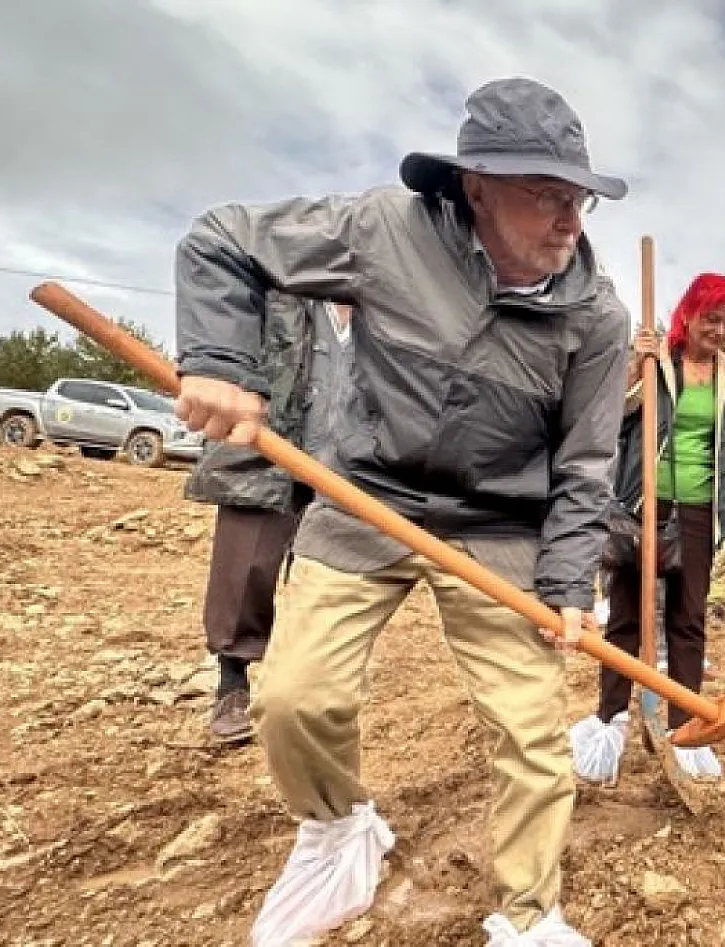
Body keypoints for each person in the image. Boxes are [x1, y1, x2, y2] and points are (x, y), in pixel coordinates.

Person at [173, 77, 629, 946]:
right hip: (366, 497)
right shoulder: (384, 231)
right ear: (476, 187)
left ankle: (531, 915)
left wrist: (570, 581)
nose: (570, 220)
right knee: (294, 699)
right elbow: (222, 237)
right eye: (545, 194)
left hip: (498, 524)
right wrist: (222, 361)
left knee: (533, 734)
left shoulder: (597, 317)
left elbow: (585, 465)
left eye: (579, 198)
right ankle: (338, 825)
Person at [569, 273, 725, 783]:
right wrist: (634, 366)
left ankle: (684, 722)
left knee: (688, 619)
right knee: (625, 618)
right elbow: (612, 415)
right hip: (644, 503)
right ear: (689, 314)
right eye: (710, 318)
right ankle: (611, 718)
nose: (718, 330)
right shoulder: (657, 361)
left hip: (700, 510)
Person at [183, 293, 352, 743]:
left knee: (324, 575)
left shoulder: (384, 303)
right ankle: (232, 683)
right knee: (245, 566)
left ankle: (302, 686)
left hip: (343, 462)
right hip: (265, 449)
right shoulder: (279, 291)